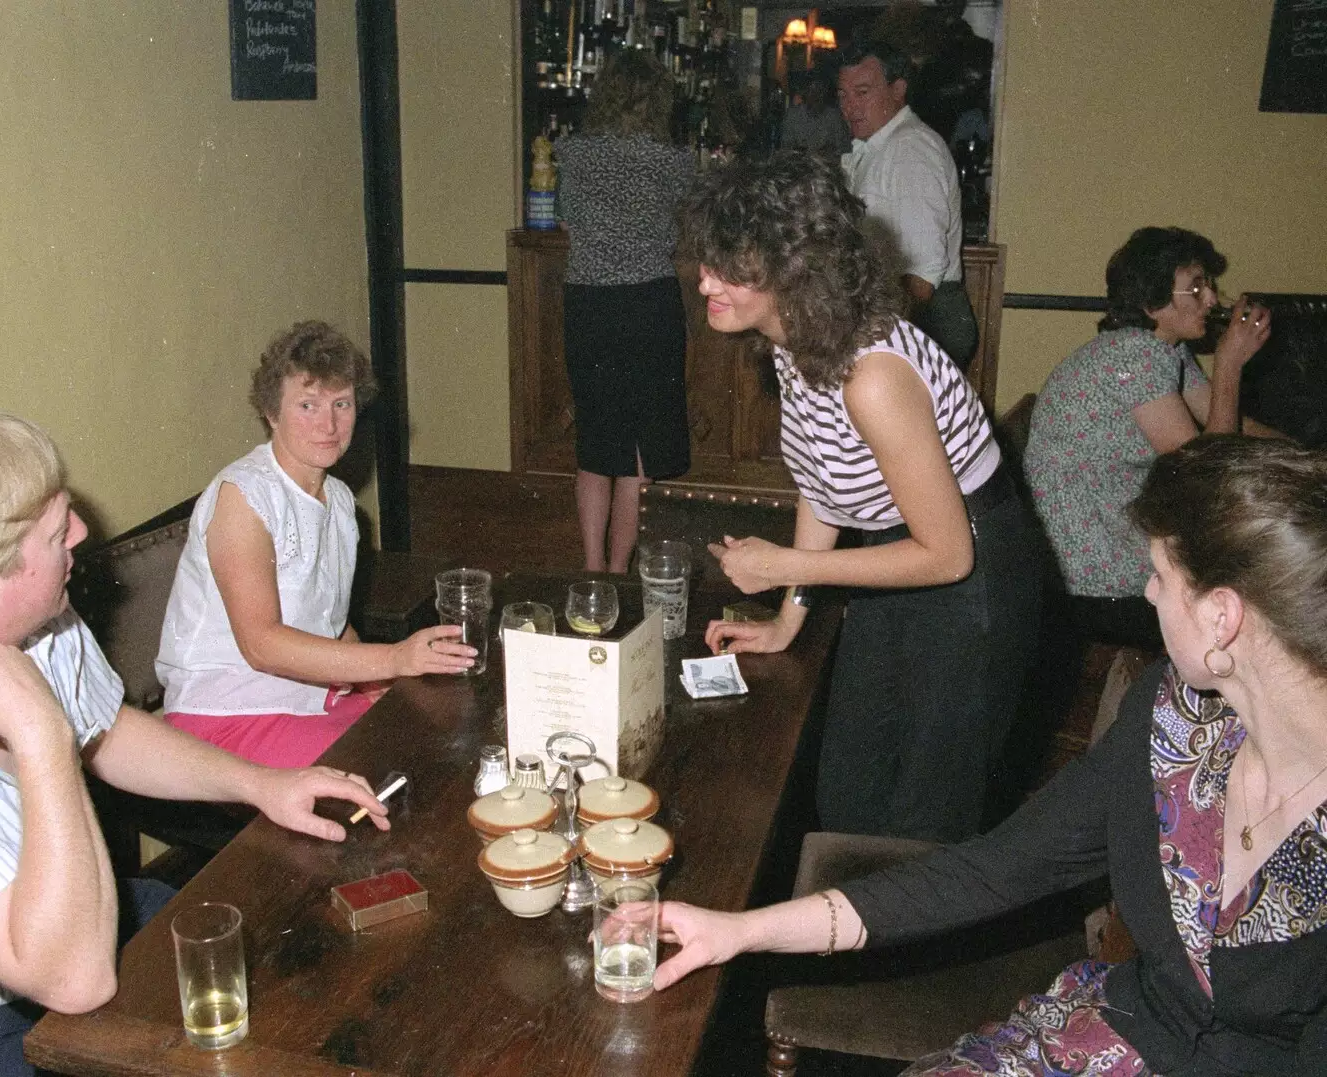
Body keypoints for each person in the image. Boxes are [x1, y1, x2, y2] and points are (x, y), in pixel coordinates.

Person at [654, 436, 1327, 1076]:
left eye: (1159, 574)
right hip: (1109, 1039)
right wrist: (740, 930)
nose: (1148, 592)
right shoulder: (1175, 717)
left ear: (1222, 617)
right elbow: (992, 869)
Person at [0, 409, 391, 1077]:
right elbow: (77, 981)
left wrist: (264, 782)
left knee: (281, 975)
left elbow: (106, 731)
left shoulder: (31, 612)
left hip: (61, 929)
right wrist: (38, 732)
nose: (84, 533)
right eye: (60, 531)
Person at [682, 152, 1042, 842]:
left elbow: (947, 555)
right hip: (897, 554)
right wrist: (791, 617)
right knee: (848, 788)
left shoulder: (872, 374)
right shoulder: (794, 340)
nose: (705, 280)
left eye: (728, 265)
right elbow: (824, 482)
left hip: (973, 570)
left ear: (794, 273)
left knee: (922, 821)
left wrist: (791, 567)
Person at [156, 321, 472, 768]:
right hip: (225, 712)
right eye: (307, 405)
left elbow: (330, 625)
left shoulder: (340, 502)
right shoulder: (244, 496)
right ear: (272, 413)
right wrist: (394, 658)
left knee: (433, 731)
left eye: (341, 404)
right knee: (383, 769)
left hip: (306, 696)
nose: (328, 424)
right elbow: (261, 645)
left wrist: (374, 683)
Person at [1024, 227, 1274, 650]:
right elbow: (1202, 471)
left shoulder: (1165, 351)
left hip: (1117, 531)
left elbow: (1236, 425)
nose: (1211, 298)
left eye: (1208, 284)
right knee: (1248, 591)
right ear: (1151, 301)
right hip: (1092, 570)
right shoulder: (1132, 357)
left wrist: (1309, 458)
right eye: (1195, 288)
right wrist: (1230, 363)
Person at [554, 49, 695, 573]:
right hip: (646, 305)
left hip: (588, 305)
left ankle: (591, 570)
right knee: (637, 456)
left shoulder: (572, 153)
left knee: (595, 446)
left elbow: (567, 224)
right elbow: (688, 226)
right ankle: (618, 575)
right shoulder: (674, 161)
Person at [837, 39, 978, 368]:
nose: (849, 107)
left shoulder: (910, 151)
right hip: (904, 315)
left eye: (862, 92)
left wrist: (881, 333)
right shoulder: (880, 147)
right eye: (843, 95)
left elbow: (923, 277)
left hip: (924, 319)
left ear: (898, 89)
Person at [780, 70, 849, 159]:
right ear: (805, 93)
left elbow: (844, 150)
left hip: (827, 169)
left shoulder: (835, 117)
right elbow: (786, 148)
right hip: (799, 168)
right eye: (811, 91)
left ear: (825, 93)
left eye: (819, 91)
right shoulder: (793, 116)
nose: (815, 95)